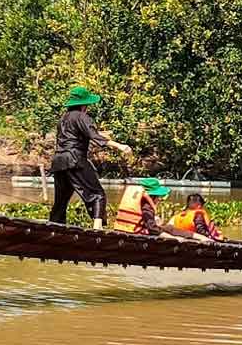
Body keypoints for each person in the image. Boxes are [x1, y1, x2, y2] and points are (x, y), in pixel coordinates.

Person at [48, 85, 131, 227]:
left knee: (61, 202)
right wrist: (120, 146)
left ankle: (54, 228)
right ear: (84, 105)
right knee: (97, 194)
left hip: (58, 162)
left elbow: (74, 136)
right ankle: (97, 230)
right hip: (75, 160)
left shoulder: (63, 119)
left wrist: (102, 134)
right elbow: (94, 137)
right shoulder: (82, 116)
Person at [112, 177, 184, 237]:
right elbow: (152, 229)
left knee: (168, 227)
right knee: (169, 229)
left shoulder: (139, 200)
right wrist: (172, 238)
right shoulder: (147, 207)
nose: (160, 199)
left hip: (121, 229)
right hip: (134, 233)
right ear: (153, 196)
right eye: (159, 197)